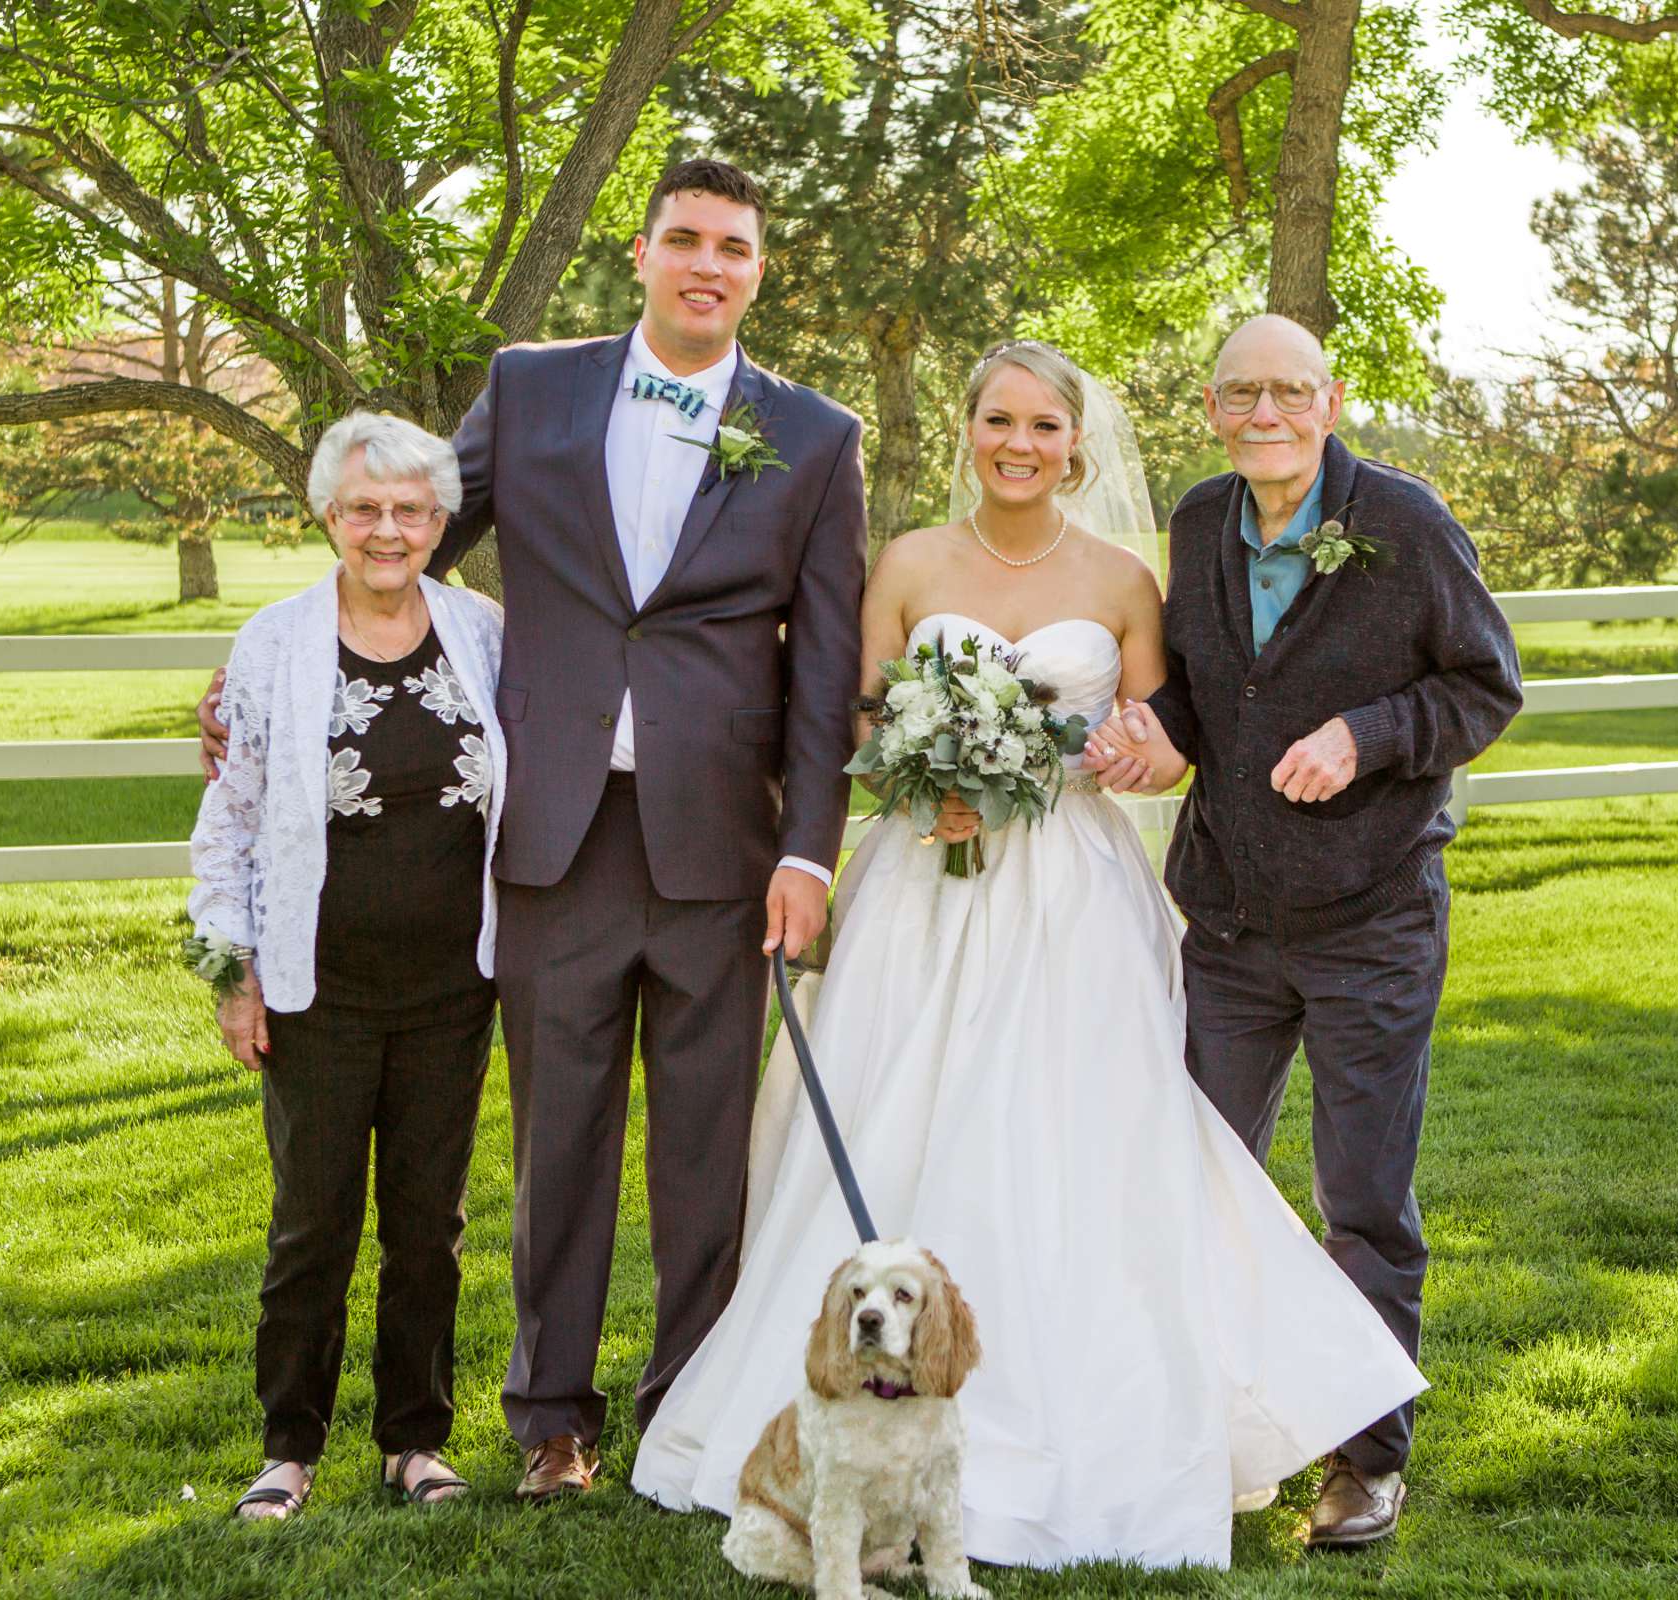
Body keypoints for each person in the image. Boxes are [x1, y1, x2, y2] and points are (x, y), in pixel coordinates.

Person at [628, 339, 1425, 1571]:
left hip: (1070, 888)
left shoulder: (1122, 576)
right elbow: (854, 714)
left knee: (1083, 1133)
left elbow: (1160, 735)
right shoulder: (907, 562)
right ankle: (856, 1401)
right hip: (921, 890)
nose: (1021, 443)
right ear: (970, 431)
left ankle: (1124, 1407)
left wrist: (1126, 756)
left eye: (1045, 425)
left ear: (1077, 442)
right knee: (914, 1114)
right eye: (1000, 420)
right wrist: (920, 774)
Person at [201, 157, 867, 1501]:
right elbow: (407, 545)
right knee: (557, 1140)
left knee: (704, 1152)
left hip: (719, 849)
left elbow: (828, 659)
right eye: (684, 238)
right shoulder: (532, 387)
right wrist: (274, 678)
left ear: (757, 271)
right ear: (641, 251)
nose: (707, 264)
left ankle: (685, 1411)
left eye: (733, 248)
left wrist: (807, 852)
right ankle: (550, 1419)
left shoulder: (816, 435)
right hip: (550, 836)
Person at [1086, 313, 1524, 1547]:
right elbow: (1202, 684)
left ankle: (1365, 1459)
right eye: (1240, 394)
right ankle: (1209, 1426)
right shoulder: (1193, 520)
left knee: (1362, 1196)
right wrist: (1159, 729)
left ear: (1329, 400)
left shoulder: (1406, 520)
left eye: (1288, 390)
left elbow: (1485, 684)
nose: (1264, 412)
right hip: (1224, 920)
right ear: (1215, 411)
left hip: (1370, 921)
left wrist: (1368, 737)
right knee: (1199, 1179)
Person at [189, 412, 508, 1520]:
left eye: (412, 509)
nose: (388, 529)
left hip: (454, 986)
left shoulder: (484, 632)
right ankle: (289, 1448)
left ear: (440, 522)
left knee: (430, 1223)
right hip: (313, 986)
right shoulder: (273, 640)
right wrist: (229, 971)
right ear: (328, 513)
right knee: (312, 1220)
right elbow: (225, 821)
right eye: (365, 507)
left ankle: (414, 1443)